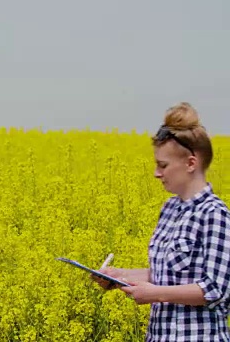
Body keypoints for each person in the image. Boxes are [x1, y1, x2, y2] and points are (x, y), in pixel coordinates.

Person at [92, 102, 230, 341]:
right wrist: (119, 276)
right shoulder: (169, 209)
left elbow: (215, 288)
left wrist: (155, 294)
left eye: (163, 165)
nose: (156, 173)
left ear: (190, 163)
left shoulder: (214, 214)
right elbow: (167, 274)